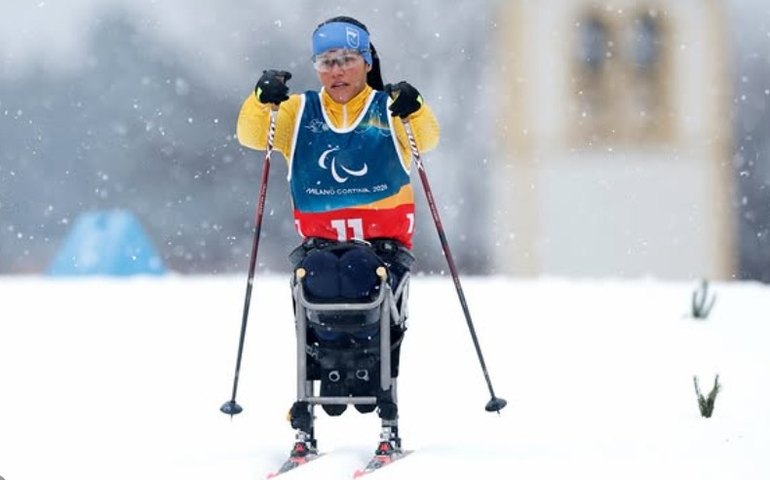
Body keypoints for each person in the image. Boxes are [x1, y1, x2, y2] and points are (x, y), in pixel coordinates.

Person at [236, 16, 440, 462]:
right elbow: (251, 135)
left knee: (364, 286)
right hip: (321, 250)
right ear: (316, 67)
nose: (337, 71)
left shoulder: (388, 107)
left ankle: (384, 413)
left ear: (366, 63)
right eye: (327, 62)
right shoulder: (297, 112)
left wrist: (415, 106)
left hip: (383, 249)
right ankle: (310, 418)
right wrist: (261, 99)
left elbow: (428, 138)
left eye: (347, 60)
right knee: (326, 286)